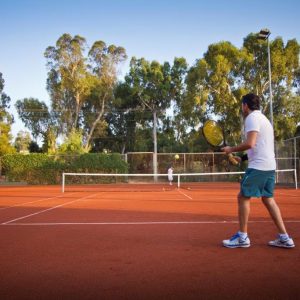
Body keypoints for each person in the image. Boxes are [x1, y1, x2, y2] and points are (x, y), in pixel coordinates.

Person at [221, 93, 295, 249]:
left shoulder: (251, 118)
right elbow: (260, 145)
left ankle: (242, 238)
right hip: (269, 166)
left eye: (242, 105)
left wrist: (230, 149)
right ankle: (284, 237)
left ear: (245, 105)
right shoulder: (264, 119)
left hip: (259, 167)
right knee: (268, 199)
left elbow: (251, 143)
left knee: (243, 197)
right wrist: (242, 158)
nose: (242, 108)